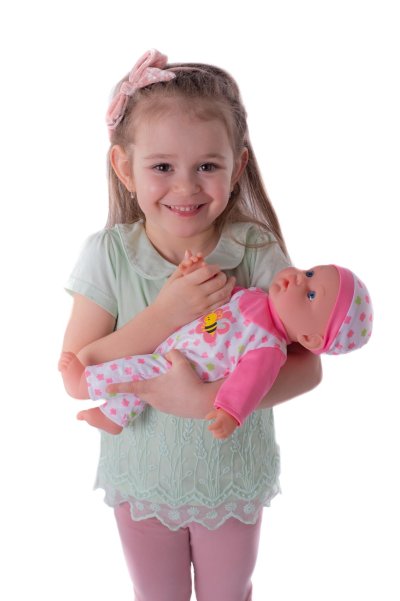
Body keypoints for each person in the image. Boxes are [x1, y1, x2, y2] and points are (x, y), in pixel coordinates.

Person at [61, 48, 324, 601]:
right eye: (162, 167)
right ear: (124, 168)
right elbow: (79, 375)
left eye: (207, 166)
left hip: (230, 477)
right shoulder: (108, 255)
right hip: (143, 477)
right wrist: (166, 314)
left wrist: (207, 399)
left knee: (230, 593)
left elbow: (308, 369)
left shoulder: (254, 249)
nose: (186, 188)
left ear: (238, 166)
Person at [60, 256, 372, 438]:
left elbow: (249, 384)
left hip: (186, 366)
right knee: (141, 384)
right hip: (174, 345)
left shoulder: (269, 349)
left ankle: (84, 383)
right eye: (309, 273)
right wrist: (196, 273)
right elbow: (216, 296)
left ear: (310, 339)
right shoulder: (254, 296)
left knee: (138, 372)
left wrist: (231, 413)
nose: (300, 280)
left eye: (311, 295)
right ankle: (114, 416)